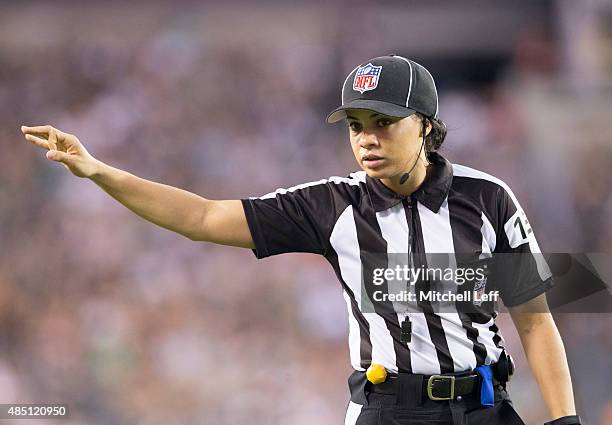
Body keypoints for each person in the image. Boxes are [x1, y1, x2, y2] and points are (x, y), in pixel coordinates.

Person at [21, 54, 581, 425]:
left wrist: (565, 421)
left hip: (483, 406)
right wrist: (100, 171)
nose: (366, 138)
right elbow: (202, 218)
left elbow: (534, 320)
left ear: (427, 126)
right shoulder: (331, 204)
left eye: (383, 122)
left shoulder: (488, 199)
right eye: (356, 124)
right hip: (386, 410)